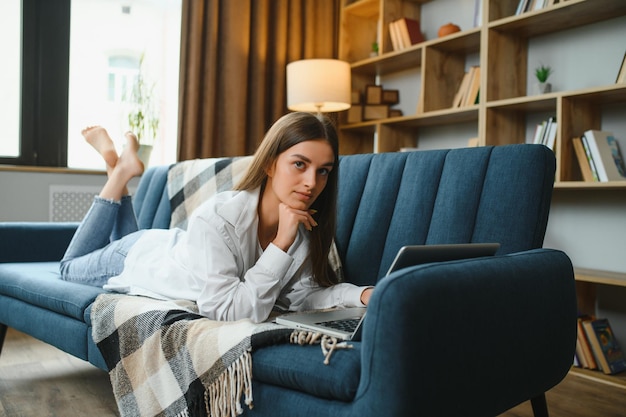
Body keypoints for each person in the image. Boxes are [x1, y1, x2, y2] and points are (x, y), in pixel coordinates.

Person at [60, 112, 373, 323]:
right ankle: (119, 174)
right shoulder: (219, 217)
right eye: (300, 165)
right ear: (269, 165)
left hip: (159, 245)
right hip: (137, 257)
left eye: (323, 172)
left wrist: (360, 294)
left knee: (120, 237)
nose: (311, 183)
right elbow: (226, 310)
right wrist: (279, 246)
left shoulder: (301, 231)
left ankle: (119, 167)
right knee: (68, 268)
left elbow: (303, 295)